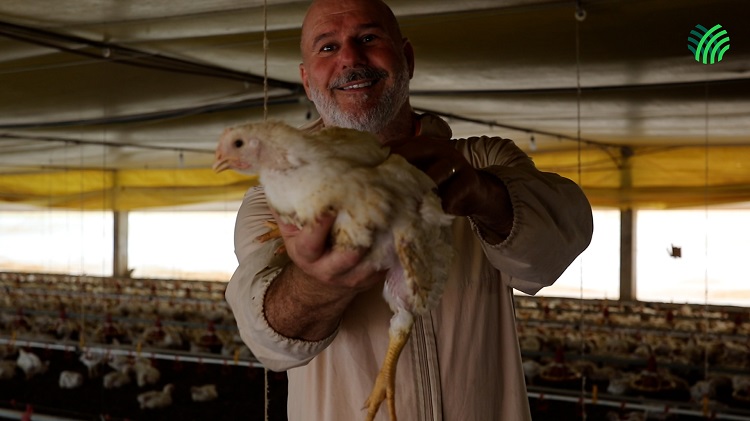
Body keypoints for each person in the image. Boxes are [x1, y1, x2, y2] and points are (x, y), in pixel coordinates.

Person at [224, 0, 594, 419]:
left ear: (408, 59)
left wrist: (481, 194)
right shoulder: (274, 200)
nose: (349, 57)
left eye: (368, 38)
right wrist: (318, 282)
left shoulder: (482, 159)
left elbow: (555, 249)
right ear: (307, 82)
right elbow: (268, 338)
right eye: (327, 48)